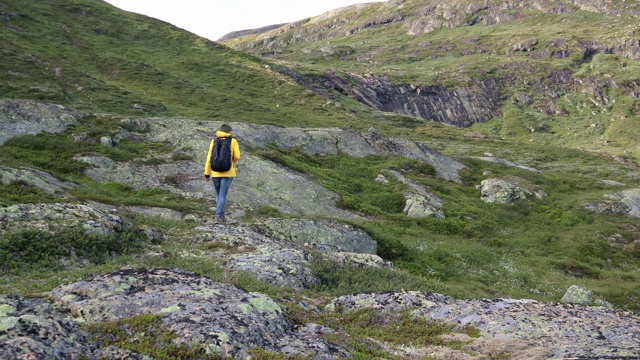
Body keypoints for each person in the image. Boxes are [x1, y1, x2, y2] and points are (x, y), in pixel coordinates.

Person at [204, 124, 241, 224]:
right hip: (228, 172)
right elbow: (237, 156)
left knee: (218, 195)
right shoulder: (233, 141)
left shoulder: (214, 141)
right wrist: (230, 160)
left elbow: (209, 158)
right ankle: (219, 216)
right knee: (223, 196)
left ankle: (221, 216)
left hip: (215, 173)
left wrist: (207, 173)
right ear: (229, 132)